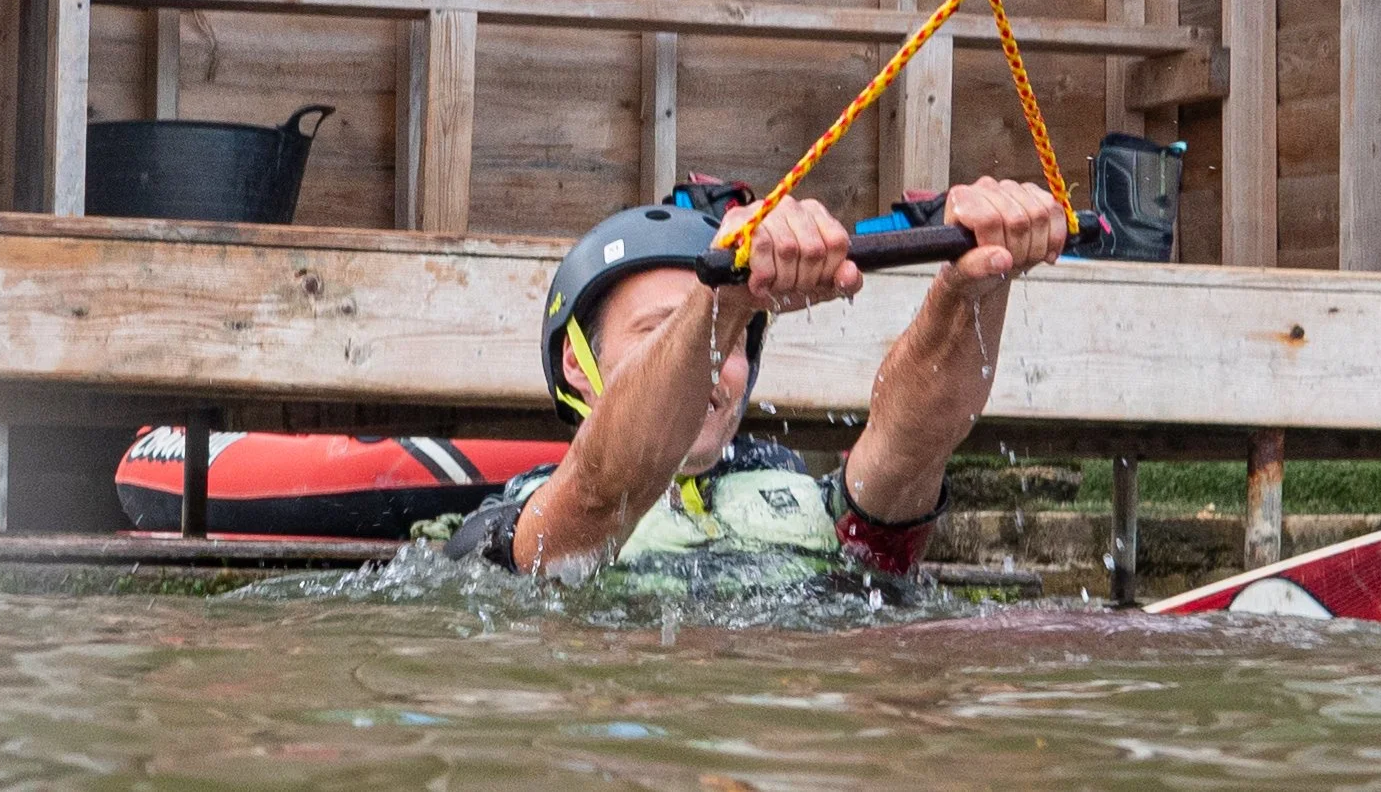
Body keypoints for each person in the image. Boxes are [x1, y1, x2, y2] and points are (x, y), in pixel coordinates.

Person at [444, 176, 1067, 587]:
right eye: (660, 331)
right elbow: (603, 490)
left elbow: (913, 447)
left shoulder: (815, 504)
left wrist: (974, 285)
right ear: (578, 364)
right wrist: (725, 304)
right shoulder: (509, 527)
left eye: (735, 340)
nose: (714, 366)